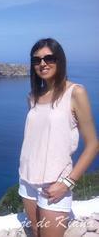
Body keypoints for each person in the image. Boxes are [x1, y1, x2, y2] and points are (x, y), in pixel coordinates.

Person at [18, 38, 98, 237]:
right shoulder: (33, 97)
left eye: (49, 58)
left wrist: (68, 183)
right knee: (35, 233)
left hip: (55, 184)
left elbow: (93, 144)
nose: (42, 63)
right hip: (27, 181)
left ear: (60, 60)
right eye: (36, 60)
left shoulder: (75, 93)